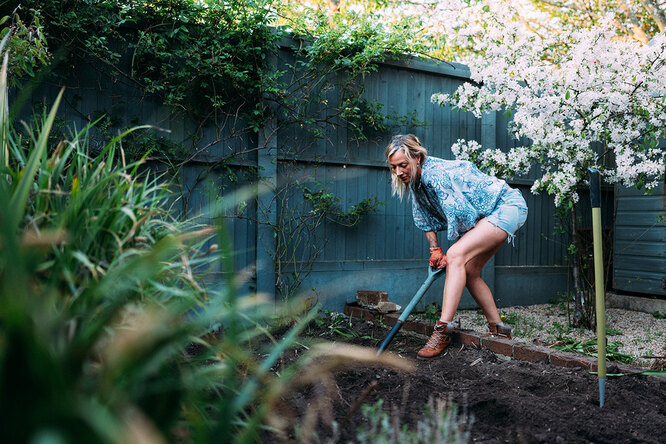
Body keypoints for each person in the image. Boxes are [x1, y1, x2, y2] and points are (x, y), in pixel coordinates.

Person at [385, 134, 528, 359]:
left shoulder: (437, 176)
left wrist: (450, 254)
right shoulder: (416, 181)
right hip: (491, 213)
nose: (399, 172)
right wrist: (435, 250)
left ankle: (443, 330)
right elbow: (422, 217)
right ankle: (499, 331)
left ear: (418, 158)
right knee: (469, 271)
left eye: (403, 165)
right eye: (394, 168)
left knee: (457, 255)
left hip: (507, 206)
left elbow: (462, 214)